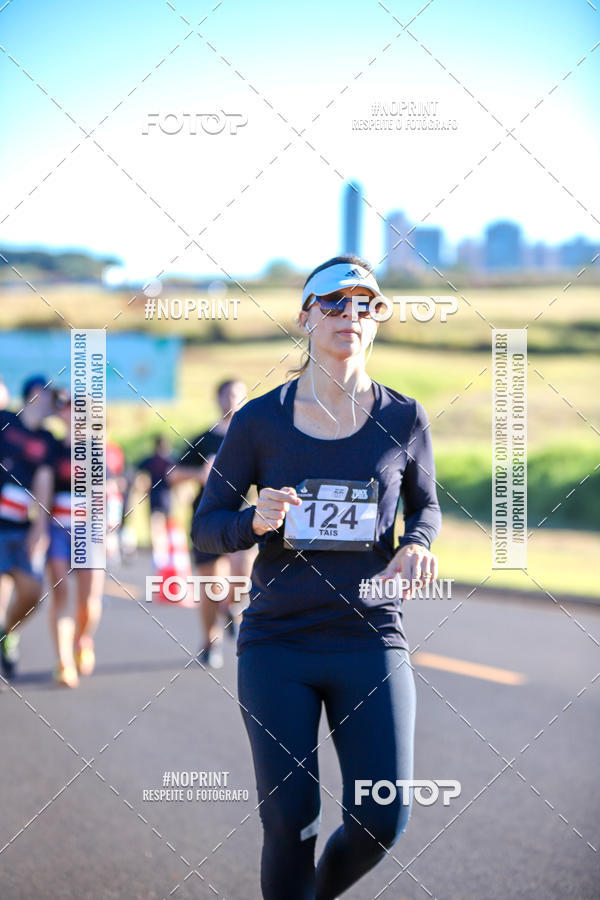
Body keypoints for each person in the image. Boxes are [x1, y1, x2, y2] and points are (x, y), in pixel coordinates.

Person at [191, 255, 442, 899]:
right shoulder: (259, 421)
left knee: (383, 817)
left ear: (377, 320)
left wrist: (416, 543)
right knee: (290, 819)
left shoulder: (405, 418)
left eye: (365, 305)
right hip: (279, 642)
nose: (349, 317)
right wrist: (255, 520)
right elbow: (206, 526)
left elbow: (427, 507)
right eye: (333, 304)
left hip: (369, 636)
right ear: (305, 317)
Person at [172, 379, 257, 668]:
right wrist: (199, 475)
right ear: (218, 400)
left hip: (241, 517)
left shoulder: (251, 439)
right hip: (207, 518)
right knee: (210, 585)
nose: (233, 400)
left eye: (239, 395)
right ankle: (210, 642)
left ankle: (232, 605)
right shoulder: (204, 439)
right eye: (228, 395)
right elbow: (173, 475)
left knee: (241, 574)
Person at [46, 389, 105, 687]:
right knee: (61, 597)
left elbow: (113, 493)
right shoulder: (52, 449)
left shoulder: (100, 450)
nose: (72, 413)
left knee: (89, 601)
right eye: (66, 408)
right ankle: (63, 661)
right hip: (57, 528)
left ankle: (83, 640)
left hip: (90, 530)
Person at [0, 375, 55, 679]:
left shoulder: (47, 439)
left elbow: (44, 481)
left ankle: (7, 633)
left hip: (23, 528)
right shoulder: (5, 421)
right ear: (35, 394)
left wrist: (40, 528)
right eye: (50, 395)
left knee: (32, 593)